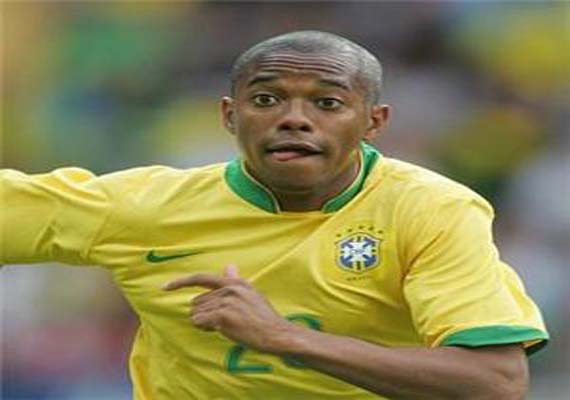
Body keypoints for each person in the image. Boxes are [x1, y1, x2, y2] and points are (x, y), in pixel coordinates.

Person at [1, 31, 548, 399]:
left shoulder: (431, 209)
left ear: (374, 122)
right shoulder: (144, 205)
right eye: (266, 100)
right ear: (229, 116)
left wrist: (283, 337)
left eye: (327, 103)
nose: (294, 120)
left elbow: (495, 380)